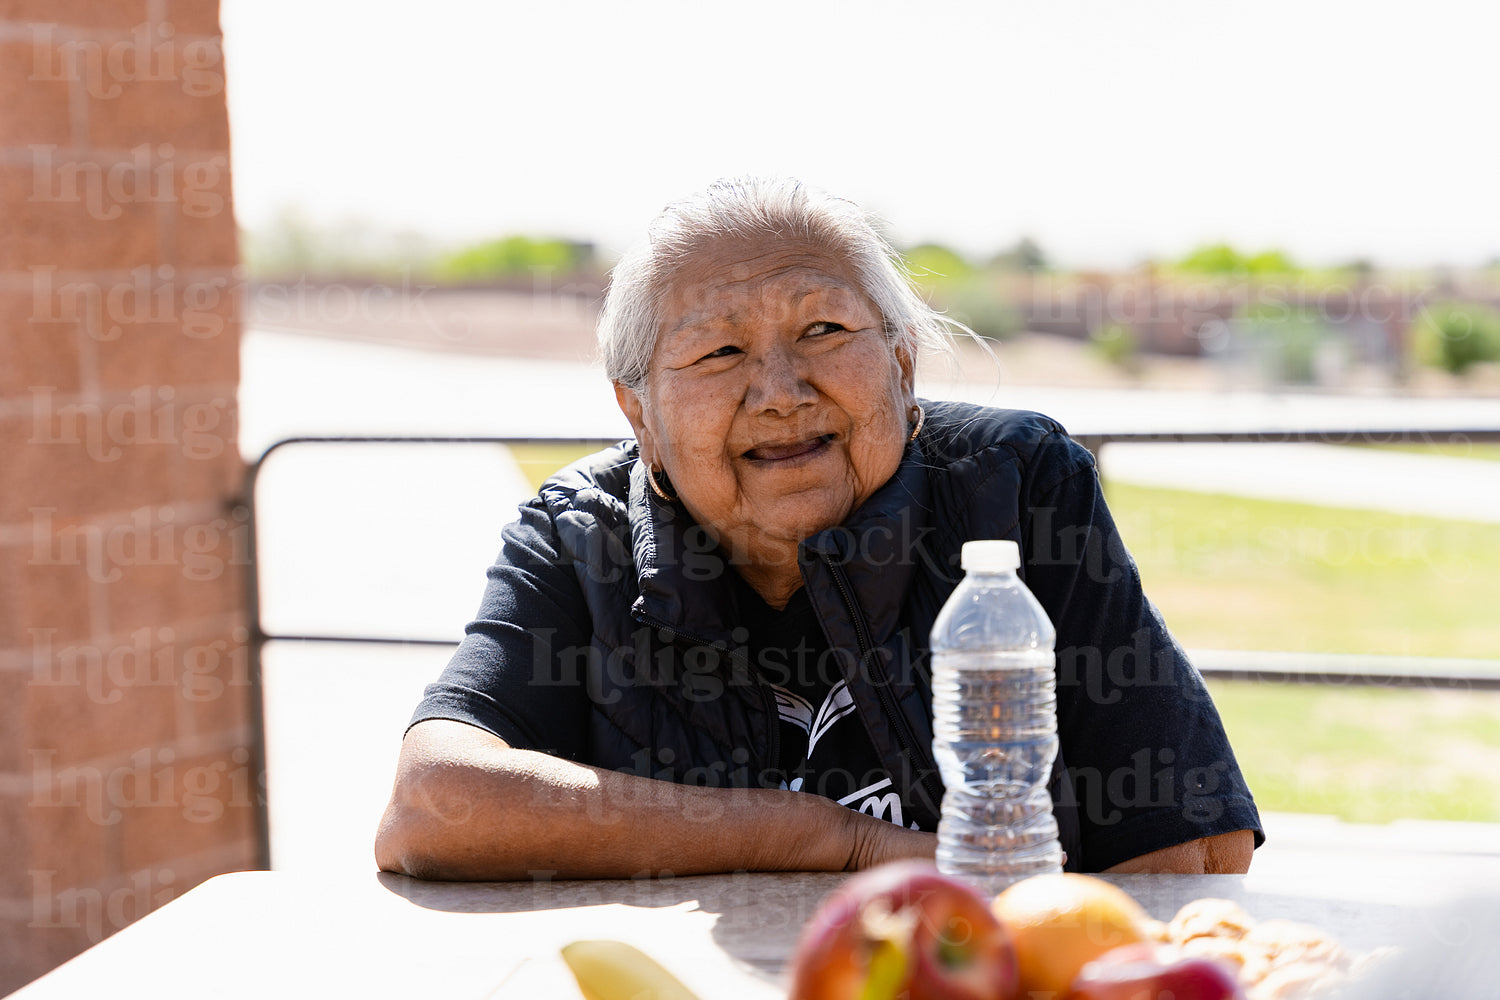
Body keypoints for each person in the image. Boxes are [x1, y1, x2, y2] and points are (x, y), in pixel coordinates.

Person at [375, 178, 1262, 881]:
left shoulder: (1013, 484)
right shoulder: (581, 534)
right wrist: (831, 840)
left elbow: (1193, 846)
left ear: (903, 362)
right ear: (638, 414)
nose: (780, 390)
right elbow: (432, 803)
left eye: (825, 329)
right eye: (718, 352)